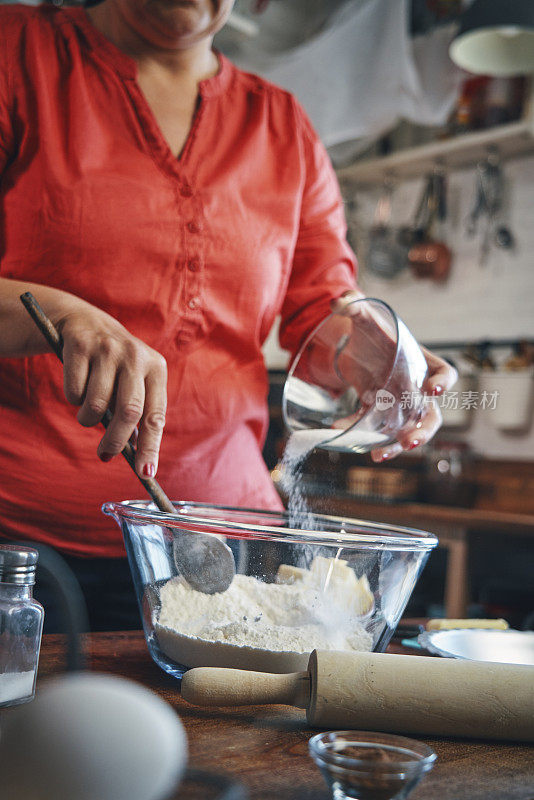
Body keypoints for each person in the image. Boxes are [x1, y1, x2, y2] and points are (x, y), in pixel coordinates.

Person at [0, 0, 456, 629]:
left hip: (227, 542)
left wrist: (372, 353)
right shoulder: (16, 53)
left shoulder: (282, 125)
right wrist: (61, 312)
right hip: (23, 546)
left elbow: (323, 311)